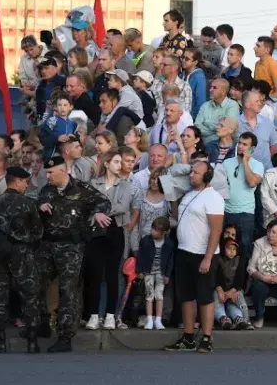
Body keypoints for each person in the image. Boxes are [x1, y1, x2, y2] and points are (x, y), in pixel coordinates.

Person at [35, 156, 112, 353]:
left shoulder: (82, 189)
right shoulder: (47, 189)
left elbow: (103, 201)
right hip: (47, 245)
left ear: (64, 171)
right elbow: (39, 203)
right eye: (47, 172)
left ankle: (65, 336)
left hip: (71, 247)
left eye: (51, 172)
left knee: (68, 291)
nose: (48, 175)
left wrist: (97, 213)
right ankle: (41, 323)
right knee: (36, 284)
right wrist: (41, 206)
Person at [165, 161, 225, 354]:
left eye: (196, 173)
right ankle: (188, 337)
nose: (191, 175)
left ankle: (207, 338)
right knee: (187, 296)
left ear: (207, 176)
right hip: (184, 251)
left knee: (205, 297)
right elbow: (178, 217)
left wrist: (208, 258)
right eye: (191, 172)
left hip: (202, 254)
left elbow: (216, 230)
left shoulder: (214, 197)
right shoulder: (189, 195)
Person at [0, 166, 43, 353]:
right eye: (25, 182)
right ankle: (32, 343)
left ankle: (0, 342)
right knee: (29, 294)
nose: (27, 185)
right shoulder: (27, 203)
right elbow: (38, 232)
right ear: (17, 181)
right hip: (22, 253)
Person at [85, 149, 138, 332]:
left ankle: (110, 315)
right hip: (97, 231)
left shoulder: (124, 184)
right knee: (95, 273)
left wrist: (101, 211)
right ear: (106, 164)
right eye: (115, 161)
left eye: (119, 161)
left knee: (112, 274)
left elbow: (123, 206)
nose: (119, 165)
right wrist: (96, 213)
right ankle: (93, 315)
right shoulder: (94, 183)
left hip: (115, 229)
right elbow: (88, 204)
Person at [222, 132, 264, 258]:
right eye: (239, 143)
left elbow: (252, 182)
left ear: (252, 148)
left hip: (245, 213)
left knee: (244, 248)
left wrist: (245, 162)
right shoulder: (227, 163)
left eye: (245, 144)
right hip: (226, 211)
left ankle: (243, 277)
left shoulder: (258, 165)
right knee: (224, 247)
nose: (240, 146)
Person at [137, 216, 175, 331]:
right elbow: (140, 257)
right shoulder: (145, 241)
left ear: (164, 232)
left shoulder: (169, 243)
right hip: (148, 272)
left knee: (159, 295)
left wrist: (167, 275)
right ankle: (149, 320)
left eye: (156, 230)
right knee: (149, 295)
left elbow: (170, 261)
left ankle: (158, 320)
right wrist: (140, 271)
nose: (153, 231)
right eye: (153, 228)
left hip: (161, 273)